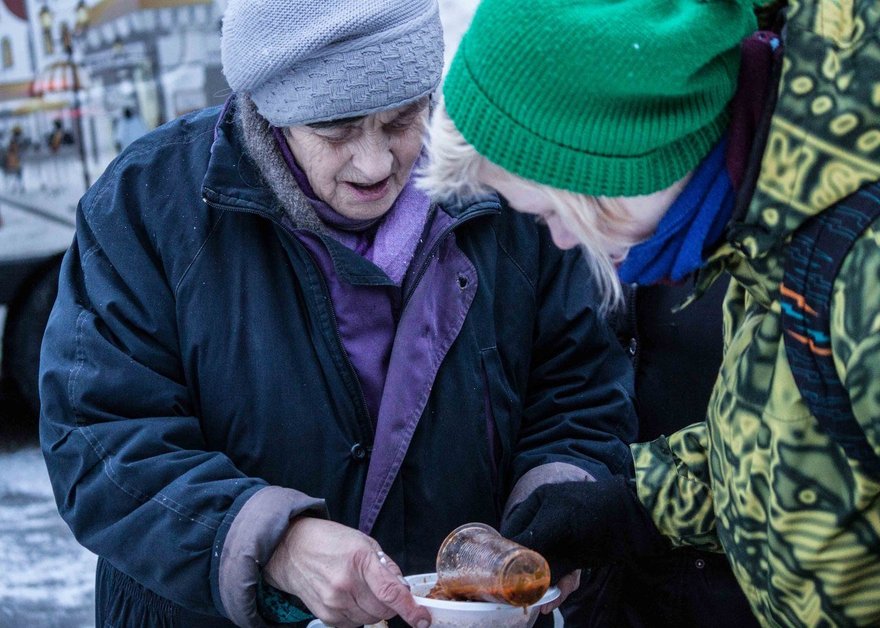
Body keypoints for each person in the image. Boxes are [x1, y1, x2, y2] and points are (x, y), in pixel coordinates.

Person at [38, 1, 638, 627]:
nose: (376, 163)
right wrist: (272, 542)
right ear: (273, 110)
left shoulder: (506, 191)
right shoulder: (147, 205)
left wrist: (558, 501)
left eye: (405, 117)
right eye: (336, 129)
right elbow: (99, 436)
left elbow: (581, 382)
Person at [421, 0, 880, 625]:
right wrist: (631, 507)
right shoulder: (761, 233)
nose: (558, 241)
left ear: (615, 161)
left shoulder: (858, 268)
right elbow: (804, 459)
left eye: (553, 212)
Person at [3, 125, 24, 193]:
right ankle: (16, 187)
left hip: (14, 159)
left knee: (17, 173)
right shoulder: (14, 140)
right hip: (13, 159)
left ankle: (17, 186)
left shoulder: (15, 140)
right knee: (16, 172)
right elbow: (14, 149)